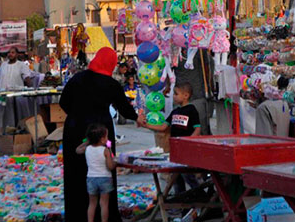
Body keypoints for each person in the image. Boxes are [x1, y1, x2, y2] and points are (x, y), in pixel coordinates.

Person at [60, 47, 146, 222]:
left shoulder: (77, 79)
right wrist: (138, 117)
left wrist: (78, 115)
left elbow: (63, 102)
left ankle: (77, 215)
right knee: (103, 170)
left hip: (74, 130)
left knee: (76, 172)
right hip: (100, 132)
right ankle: (104, 216)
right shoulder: (110, 84)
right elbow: (124, 108)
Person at [142, 82, 200, 193]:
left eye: (176, 93)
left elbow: (197, 128)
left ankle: (199, 196)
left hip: (186, 149)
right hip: (174, 148)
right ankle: (180, 201)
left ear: (186, 95)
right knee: (176, 176)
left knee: (187, 175)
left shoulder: (191, 110)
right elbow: (163, 127)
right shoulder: (175, 111)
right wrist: (146, 125)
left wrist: (189, 141)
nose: (173, 96)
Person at [76, 124, 116, 222]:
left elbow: (77, 150)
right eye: (106, 136)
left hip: (91, 179)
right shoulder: (105, 150)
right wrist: (113, 156)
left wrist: (87, 142)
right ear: (102, 139)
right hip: (105, 179)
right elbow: (110, 166)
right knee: (104, 204)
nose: (107, 139)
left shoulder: (87, 149)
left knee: (92, 203)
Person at [173, 49, 214, 135]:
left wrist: (209, 85)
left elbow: (208, 68)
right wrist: (168, 86)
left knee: (201, 126)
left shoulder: (200, 50)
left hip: (198, 93)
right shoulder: (174, 50)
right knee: (181, 127)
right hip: (181, 95)